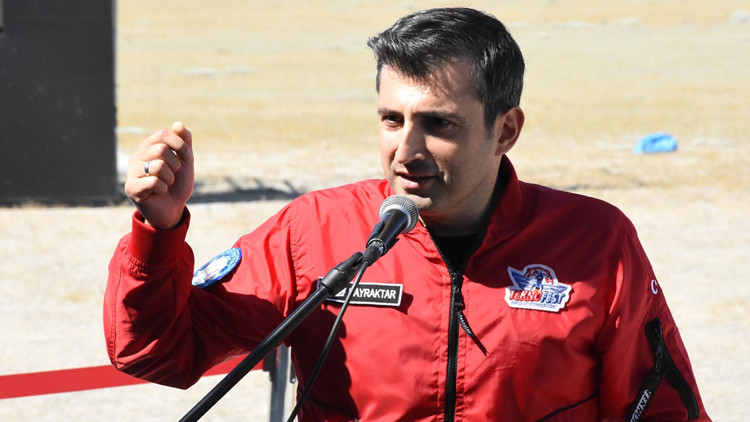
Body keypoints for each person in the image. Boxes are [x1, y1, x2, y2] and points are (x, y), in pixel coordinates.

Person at [104, 7, 710, 421]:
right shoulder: (312, 232)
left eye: (438, 124)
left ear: (506, 130)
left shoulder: (594, 241)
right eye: (391, 120)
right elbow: (157, 353)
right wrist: (159, 232)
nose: (406, 149)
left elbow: (661, 410)